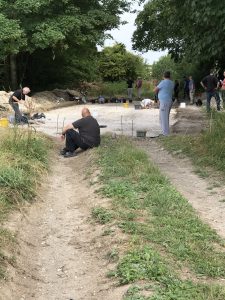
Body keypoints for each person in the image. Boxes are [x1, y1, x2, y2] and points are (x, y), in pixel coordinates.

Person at [154, 71, 174, 136]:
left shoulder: (163, 82)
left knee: (164, 118)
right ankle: (164, 132)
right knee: (163, 117)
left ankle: (166, 133)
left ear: (163, 76)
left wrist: (156, 86)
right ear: (170, 76)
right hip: (168, 101)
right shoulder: (172, 83)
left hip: (164, 102)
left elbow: (155, 90)